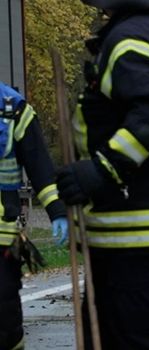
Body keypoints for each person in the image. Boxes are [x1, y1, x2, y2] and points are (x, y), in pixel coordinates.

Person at [55, 0, 149, 348]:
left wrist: (99, 170)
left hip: (135, 220)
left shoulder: (130, 40)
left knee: (143, 338)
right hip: (145, 218)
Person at [0, 82, 69, 350]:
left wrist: (58, 211)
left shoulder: (13, 108)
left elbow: (40, 167)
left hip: (3, 239)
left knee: (6, 326)